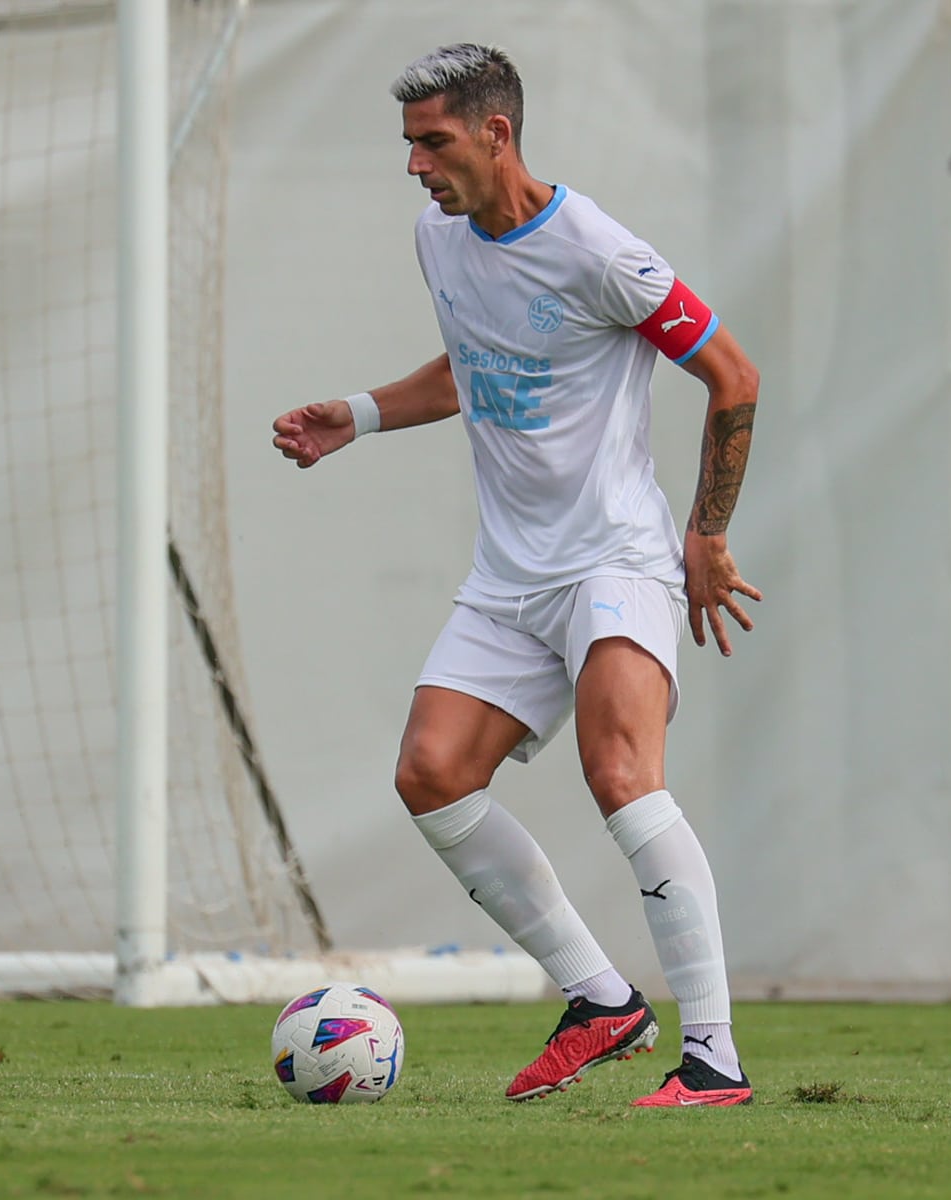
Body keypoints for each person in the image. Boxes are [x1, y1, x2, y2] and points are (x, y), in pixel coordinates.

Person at [272, 43, 761, 1108]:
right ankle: (601, 1000)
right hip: (511, 575)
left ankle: (714, 1058)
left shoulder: (601, 253)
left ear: (497, 134)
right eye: (409, 144)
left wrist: (708, 533)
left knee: (621, 774)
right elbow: (474, 364)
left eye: (433, 142)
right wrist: (359, 416)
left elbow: (733, 375)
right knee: (431, 772)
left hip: (614, 560)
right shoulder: (438, 238)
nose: (415, 166)